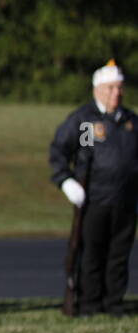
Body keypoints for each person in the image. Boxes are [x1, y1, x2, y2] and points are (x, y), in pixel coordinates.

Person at [50, 59, 138, 316]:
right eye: (110, 88)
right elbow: (58, 151)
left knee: (119, 255)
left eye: (119, 88)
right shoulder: (83, 119)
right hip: (94, 198)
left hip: (125, 199)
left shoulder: (131, 122)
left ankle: (113, 302)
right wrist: (65, 180)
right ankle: (89, 302)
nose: (116, 93)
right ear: (98, 90)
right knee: (92, 253)